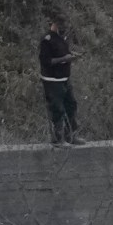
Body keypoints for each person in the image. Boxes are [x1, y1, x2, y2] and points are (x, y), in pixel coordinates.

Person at [39, 16, 80, 145]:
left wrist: (72, 56)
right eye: (60, 26)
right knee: (57, 109)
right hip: (52, 80)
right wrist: (64, 59)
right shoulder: (47, 40)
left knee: (71, 105)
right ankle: (57, 139)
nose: (63, 29)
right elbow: (46, 61)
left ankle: (71, 136)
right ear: (54, 25)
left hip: (65, 78)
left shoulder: (62, 38)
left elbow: (63, 53)